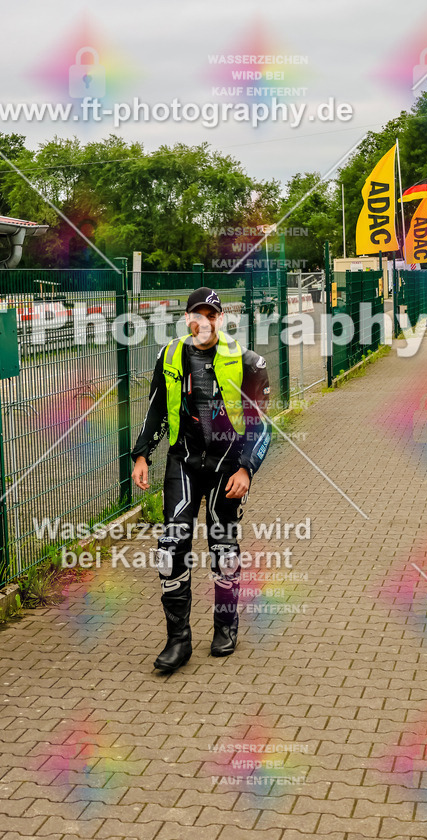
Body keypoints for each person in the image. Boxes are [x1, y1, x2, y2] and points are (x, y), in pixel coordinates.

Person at [131, 287, 271, 672]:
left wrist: (246, 468)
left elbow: (261, 426)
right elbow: (157, 409)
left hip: (228, 465)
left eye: (211, 315)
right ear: (187, 319)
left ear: (221, 319)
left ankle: (226, 625)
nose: (204, 322)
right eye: (197, 315)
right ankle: (178, 640)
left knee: (223, 547)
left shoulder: (249, 362)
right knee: (170, 547)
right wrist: (142, 454)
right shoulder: (170, 355)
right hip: (184, 461)